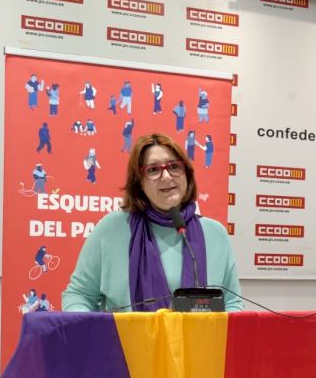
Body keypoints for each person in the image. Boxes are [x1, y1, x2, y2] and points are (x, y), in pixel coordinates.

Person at [62, 132, 242, 312]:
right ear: (139, 183)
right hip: (124, 332)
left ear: (186, 173)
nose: (166, 176)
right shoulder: (112, 229)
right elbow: (79, 295)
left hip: (201, 332)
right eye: (153, 170)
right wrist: (92, 326)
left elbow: (232, 303)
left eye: (174, 166)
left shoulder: (215, 233)